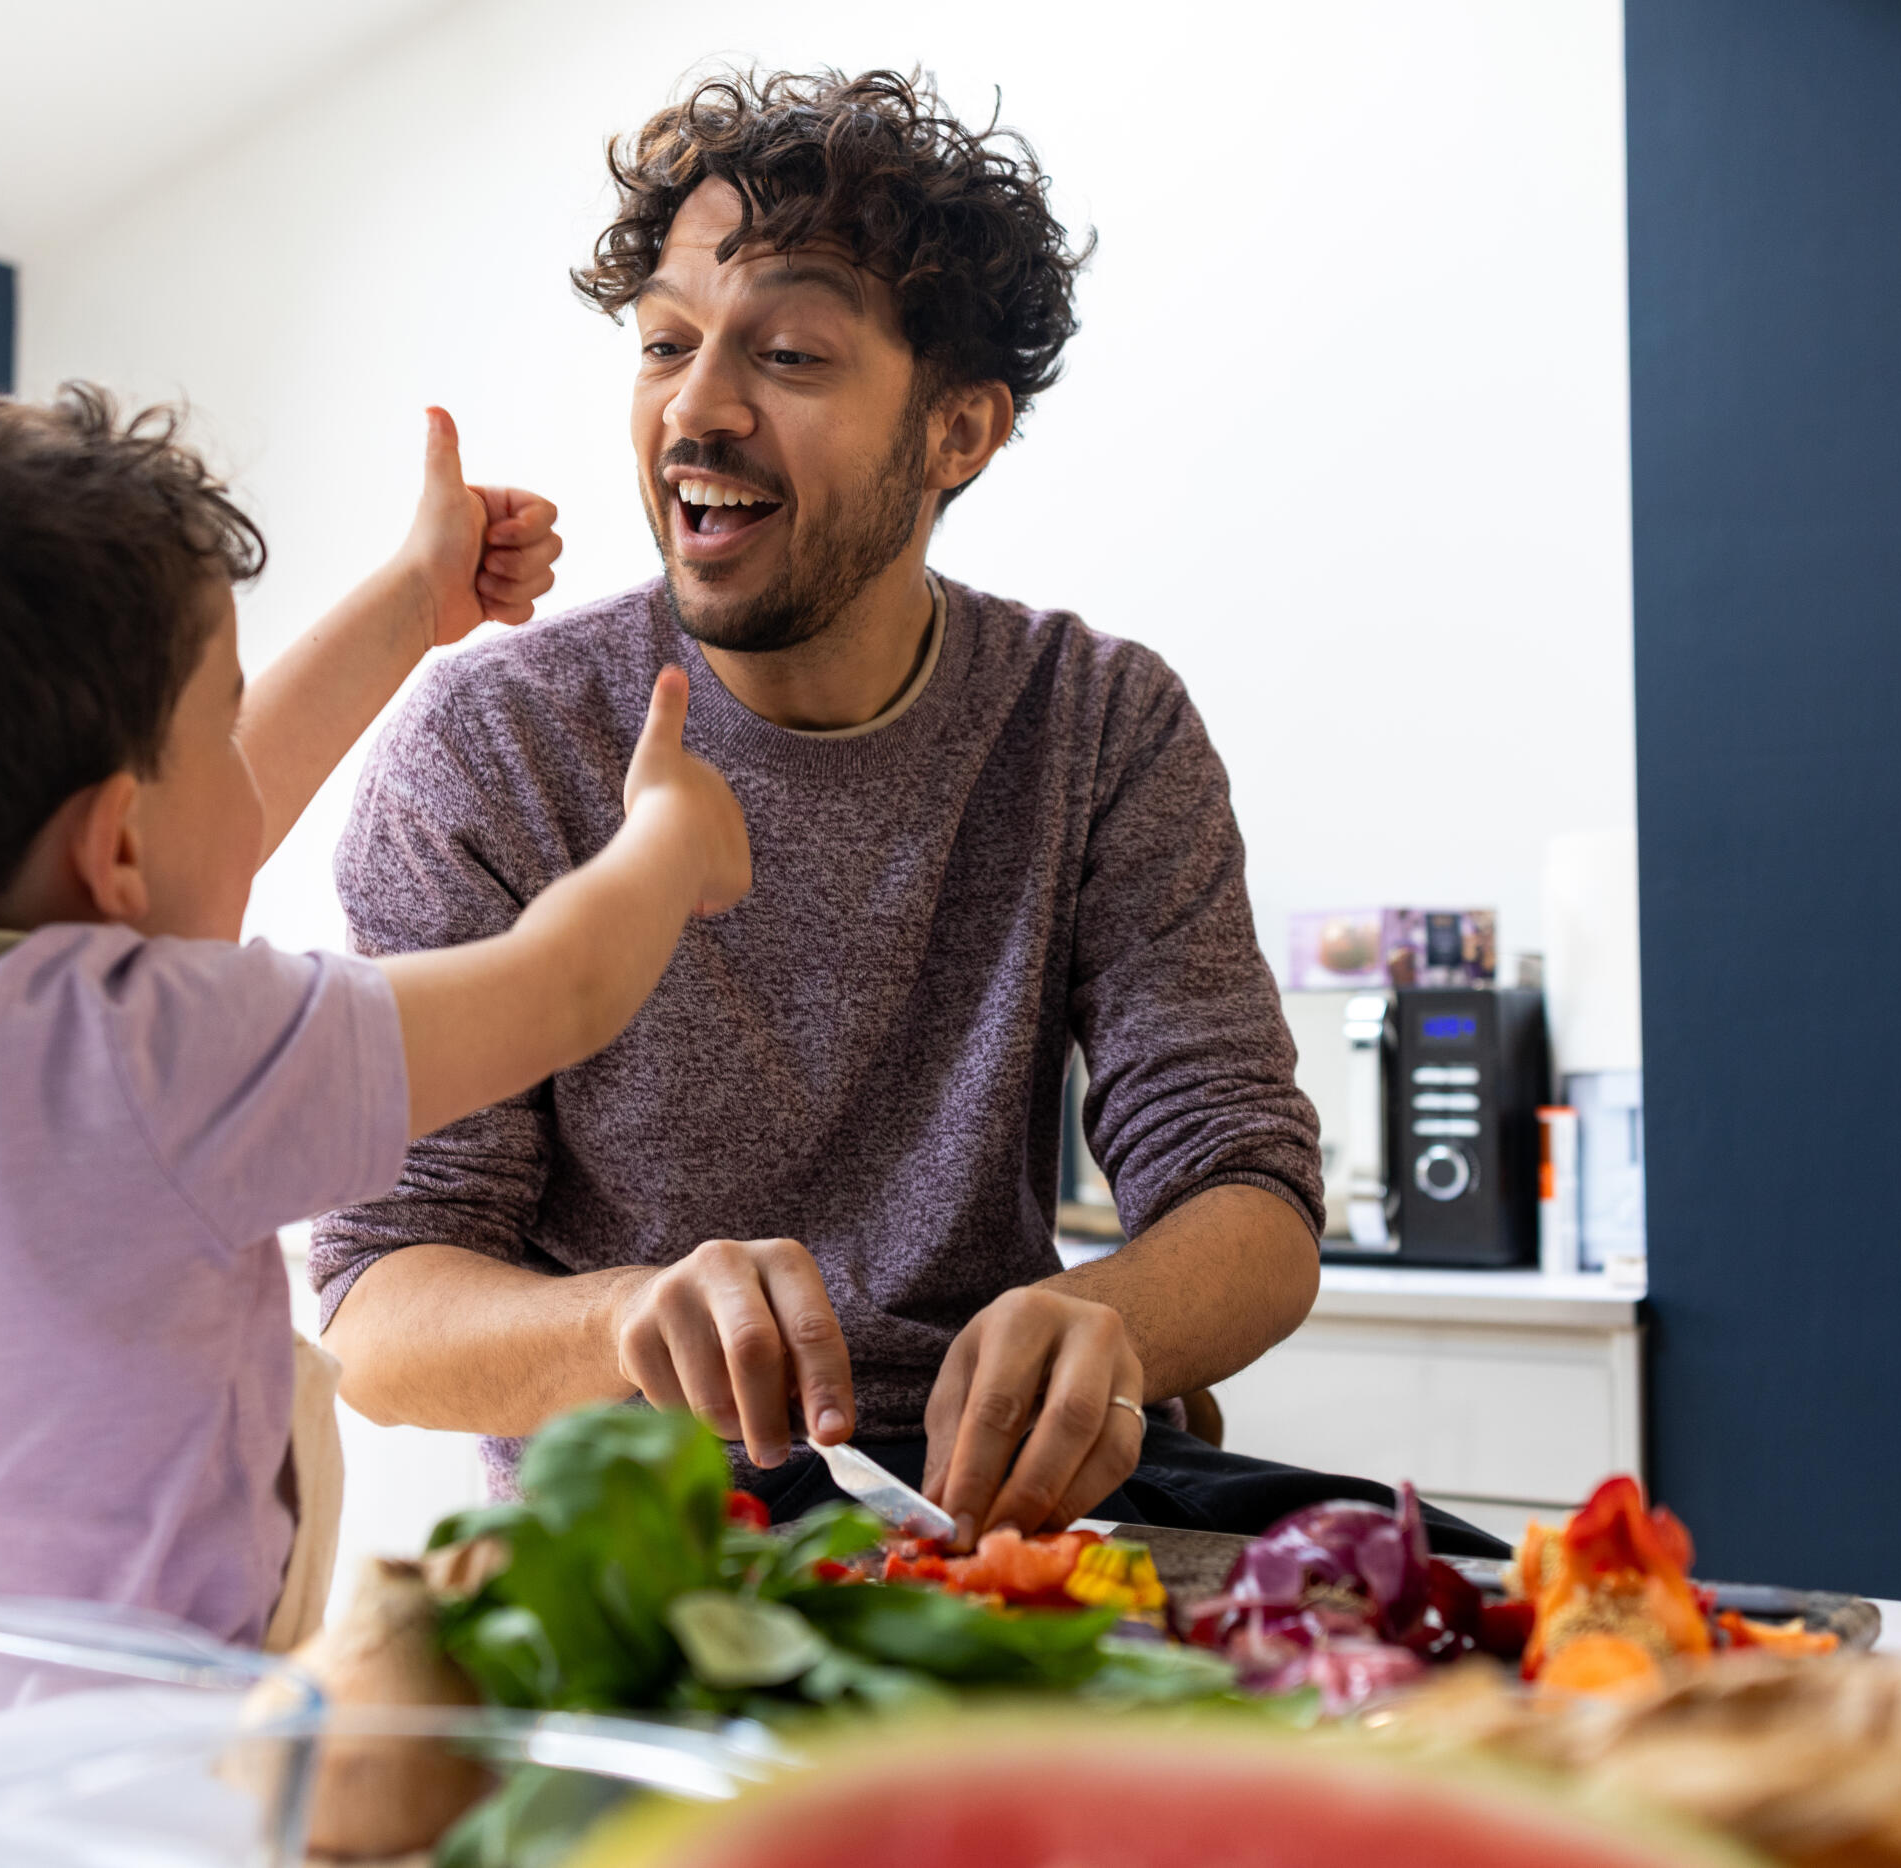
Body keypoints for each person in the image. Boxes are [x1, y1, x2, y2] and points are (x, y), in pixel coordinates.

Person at [314, 69, 1502, 1558]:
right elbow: (377, 1307)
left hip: (1028, 1522)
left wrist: (1103, 1323)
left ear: (959, 433)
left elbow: (1247, 1198)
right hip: (672, 1550)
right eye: (665, 343)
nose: (696, 406)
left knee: (1501, 1626)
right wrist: (632, 1320)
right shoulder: (495, 746)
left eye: (790, 354)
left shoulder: (1099, 721)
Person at [0, 367, 750, 1650]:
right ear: (116, 847)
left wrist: (410, 604)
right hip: (132, 1789)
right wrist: (669, 839)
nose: (242, 748)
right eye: (222, 711)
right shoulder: (150, 1065)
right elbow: (563, 983)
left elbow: (146, 873)